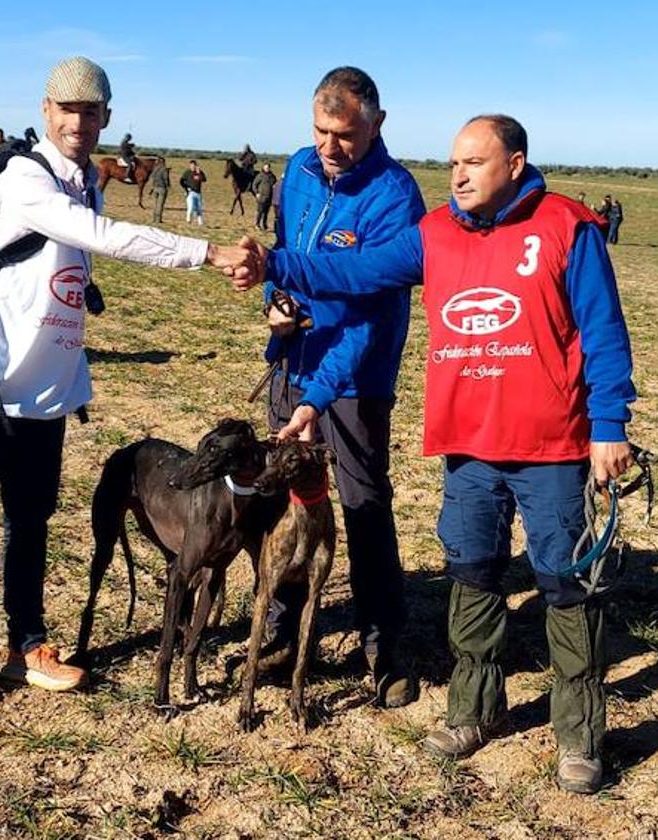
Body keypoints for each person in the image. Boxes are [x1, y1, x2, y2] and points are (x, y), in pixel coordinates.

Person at [231, 114, 637, 795]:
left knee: (565, 584)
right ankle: (473, 711)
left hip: (551, 447)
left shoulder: (568, 227)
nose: (457, 175)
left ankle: (579, 735)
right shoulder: (436, 235)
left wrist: (609, 424)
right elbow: (355, 270)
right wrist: (275, 262)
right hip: (468, 446)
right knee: (473, 575)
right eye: (453, 163)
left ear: (514, 163)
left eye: (474, 163)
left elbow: (603, 329)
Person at [0, 55, 254, 709]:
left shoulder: (85, 182)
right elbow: (104, 237)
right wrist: (207, 253)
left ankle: (25, 648)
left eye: (90, 110)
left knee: (31, 524)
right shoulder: (24, 176)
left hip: (42, 397)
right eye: (67, 108)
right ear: (46, 111)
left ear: (106, 117)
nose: (78, 120)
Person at [257, 66, 426, 709]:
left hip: (355, 379)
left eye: (346, 134)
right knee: (287, 501)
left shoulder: (395, 196)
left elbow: (372, 317)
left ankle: (382, 644)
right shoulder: (298, 170)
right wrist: (278, 304)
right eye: (321, 131)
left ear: (377, 124)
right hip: (292, 360)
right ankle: (279, 628)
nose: (331, 147)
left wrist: (318, 397)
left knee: (361, 505)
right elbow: (285, 253)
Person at [180, 159, 206, 225]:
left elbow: (204, 180)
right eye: (191, 166)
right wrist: (186, 188)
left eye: (194, 166)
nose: (193, 167)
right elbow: (181, 181)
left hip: (198, 193)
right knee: (190, 207)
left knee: (199, 208)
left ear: (196, 166)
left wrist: (199, 172)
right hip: (190, 192)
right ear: (189, 166)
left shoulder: (199, 172)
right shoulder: (187, 172)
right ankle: (188, 220)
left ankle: (200, 222)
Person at [251, 162, 276, 231]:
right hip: (261, 197)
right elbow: (254, 185)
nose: (267, 169)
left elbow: (274, 184)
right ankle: (257, 224)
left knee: (266, 212)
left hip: (269, 197)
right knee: (260, 211)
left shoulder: (272, 176)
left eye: (268, 168)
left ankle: (264, 225)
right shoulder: (260, 176)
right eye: (265, 168)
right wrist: (257, 193)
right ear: (263, 168)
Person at [149, 156, 170, 223]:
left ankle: (154, 218)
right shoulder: (164, 169)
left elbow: (151, 177)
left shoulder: (155, 169)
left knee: (155, 204)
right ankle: (158, 220)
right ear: (163, 162)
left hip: (155, 188)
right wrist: (168, 186)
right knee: (160, 205)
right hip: (162, 188)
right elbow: (166, 179)